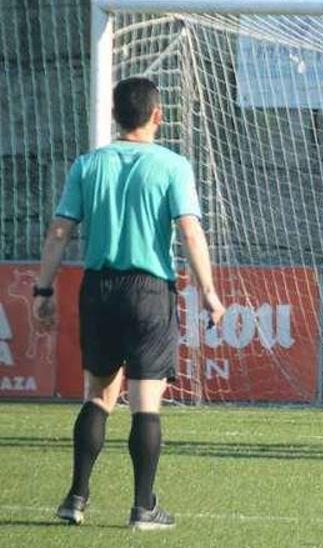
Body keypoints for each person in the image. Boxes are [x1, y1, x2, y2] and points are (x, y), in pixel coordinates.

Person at [34, 77, 225, 530]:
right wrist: (210, 293)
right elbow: (190, 231)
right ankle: (143, 507)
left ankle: (75, 498)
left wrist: (42, 289)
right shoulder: (172, 165)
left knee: (99, 396)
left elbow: (60, 230)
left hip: (98, 288)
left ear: (116, 116)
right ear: (158, 115)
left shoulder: (88, 164)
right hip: (148, 292)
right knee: (144, 401)